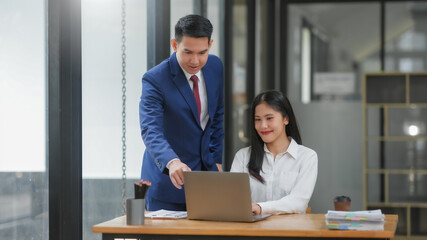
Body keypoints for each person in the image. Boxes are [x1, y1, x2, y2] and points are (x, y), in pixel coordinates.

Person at [139, 14, 224, 211]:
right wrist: (172, 161)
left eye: (202, 52)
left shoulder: (215, 66)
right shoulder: (154, 79)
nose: (195, 60)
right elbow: (150, 129)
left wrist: (216, 158)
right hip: (167, 184)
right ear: (174, 45)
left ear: (210, 44)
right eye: (188, 52)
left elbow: (217, 115)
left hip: (207, 181)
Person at [230, 90, 317, 215]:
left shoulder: (307, 157)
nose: (263, 126)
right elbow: (233, 199)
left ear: (286, 119)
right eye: (257, 119)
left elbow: (299, 202)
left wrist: (261, 208)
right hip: (250, 231)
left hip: (290, 230)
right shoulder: (243, 156)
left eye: (269, 118)